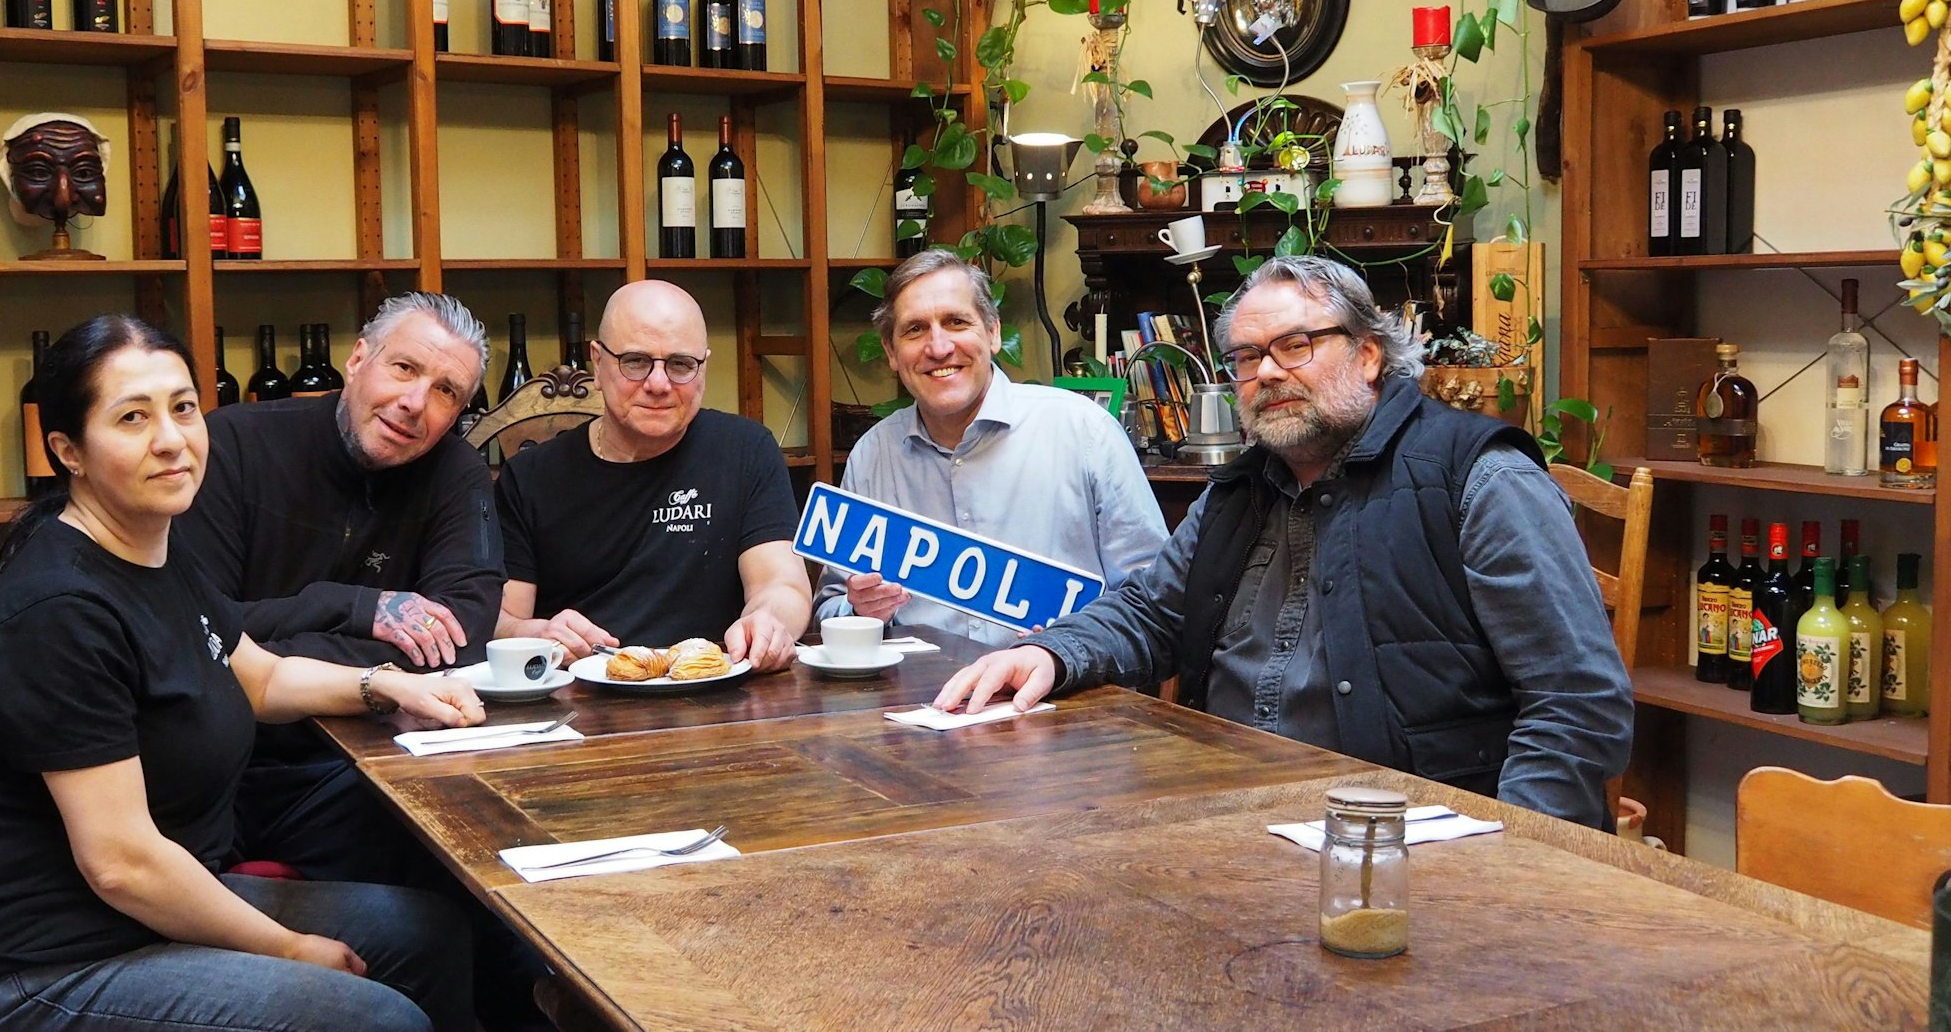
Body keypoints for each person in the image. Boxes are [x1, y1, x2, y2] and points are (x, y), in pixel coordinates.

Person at [935, 256, 1633, 830]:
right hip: (1227, 818)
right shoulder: (1241, 490)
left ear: (1367, 354)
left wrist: (1518, 858)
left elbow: (1574, 700)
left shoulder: (1478, 478)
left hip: (1409, 844)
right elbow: (1150, 613)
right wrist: (1047, 651)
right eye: (1245, 356)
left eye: (1295, 345)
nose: (1266, 372)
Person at [0, 315, 484, 1032]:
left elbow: (258, 678)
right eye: (133, 418)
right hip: (48, 959)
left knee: (429, 934)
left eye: (181, 408)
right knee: (375, 1018)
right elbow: (122, 863)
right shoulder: (60, 608)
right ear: (67, 449)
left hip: (136, 913)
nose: (171, 439)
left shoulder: (152, 551)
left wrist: (384, 684)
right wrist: (289, 947)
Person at [172, 292, 503, 885]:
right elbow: (197, 630)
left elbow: (460, 639)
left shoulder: (457, 473)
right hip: (220, 756)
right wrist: (351, 608)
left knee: (479, 855)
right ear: (357, 360)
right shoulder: (234, 446)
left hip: (368, 757)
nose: (414, 403)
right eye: (403, 368)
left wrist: (275, 643)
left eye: (446, 392)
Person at [813, 250, 1166, 645]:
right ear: (892, 353)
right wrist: (859, 611)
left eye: (956, 322)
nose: (939, 347)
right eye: (915, 330)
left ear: (994, 333)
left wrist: (1064, 652)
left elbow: (1152, 600)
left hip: (1066, 693)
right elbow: (831, 604)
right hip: (914, 698)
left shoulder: (1086, 433)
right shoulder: (872, 456)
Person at [495, 280, 807, 668]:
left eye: (680, 365)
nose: (658, 384)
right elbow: (502, 619)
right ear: (598, 361)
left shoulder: (746, 451)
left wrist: (769, 621)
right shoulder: (531, 477)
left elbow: (783, 584)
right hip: (583, 695)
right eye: (636, 362)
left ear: (704, 366)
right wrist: (533, 634)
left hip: (716, 690)